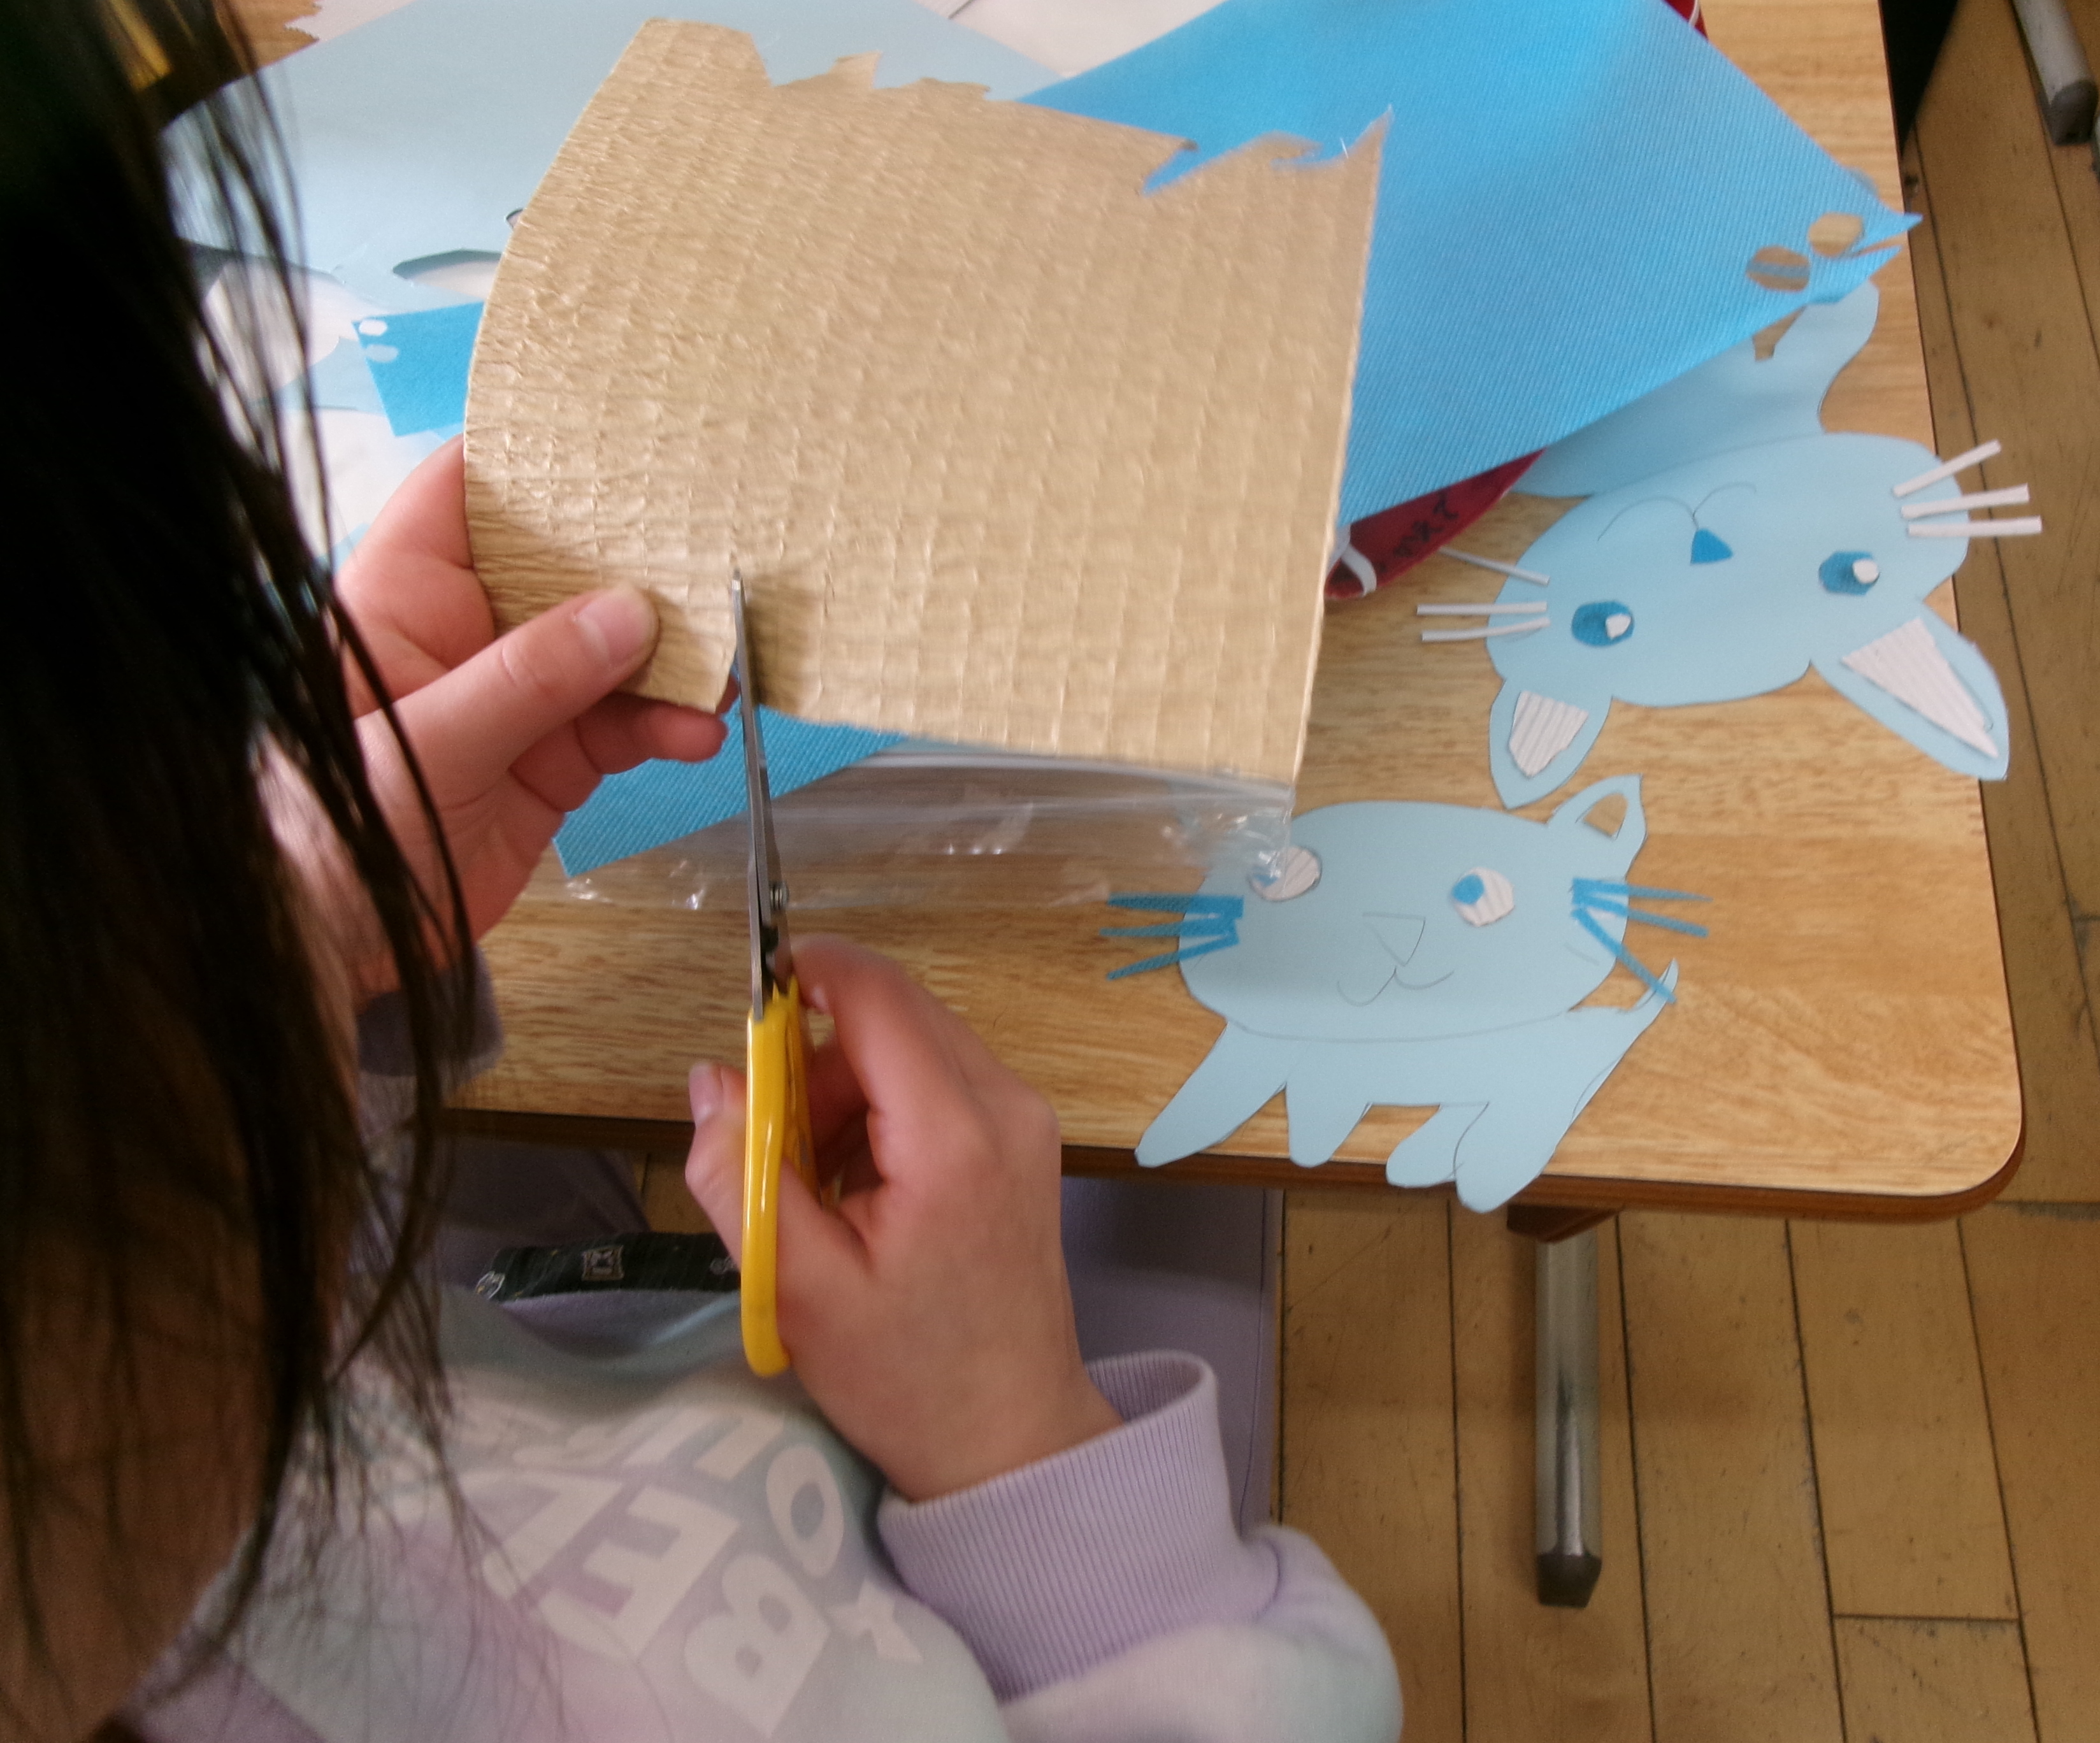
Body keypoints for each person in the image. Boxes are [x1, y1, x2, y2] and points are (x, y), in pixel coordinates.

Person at [0, 1, 1400, 1738]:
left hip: (552, 1374)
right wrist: (1019, 1446)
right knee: (1190, 1146)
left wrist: (313, 907)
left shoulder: (112, 1446)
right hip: (1012, 1569)